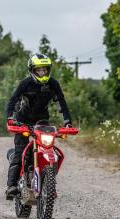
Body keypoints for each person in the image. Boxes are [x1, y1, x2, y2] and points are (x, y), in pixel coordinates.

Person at [5, 53, 73, 197]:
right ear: (32, 70)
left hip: (41, 121)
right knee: (20, 152)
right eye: (39, 70)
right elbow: (12, 100)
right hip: (22, 120)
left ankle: (48, 182)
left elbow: (62, 102)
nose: (42, 72)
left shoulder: (53, 84)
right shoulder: (25, 83)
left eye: (45, 70)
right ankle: (11, 186)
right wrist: (10, 118)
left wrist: (68, 122)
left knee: (50, 150)